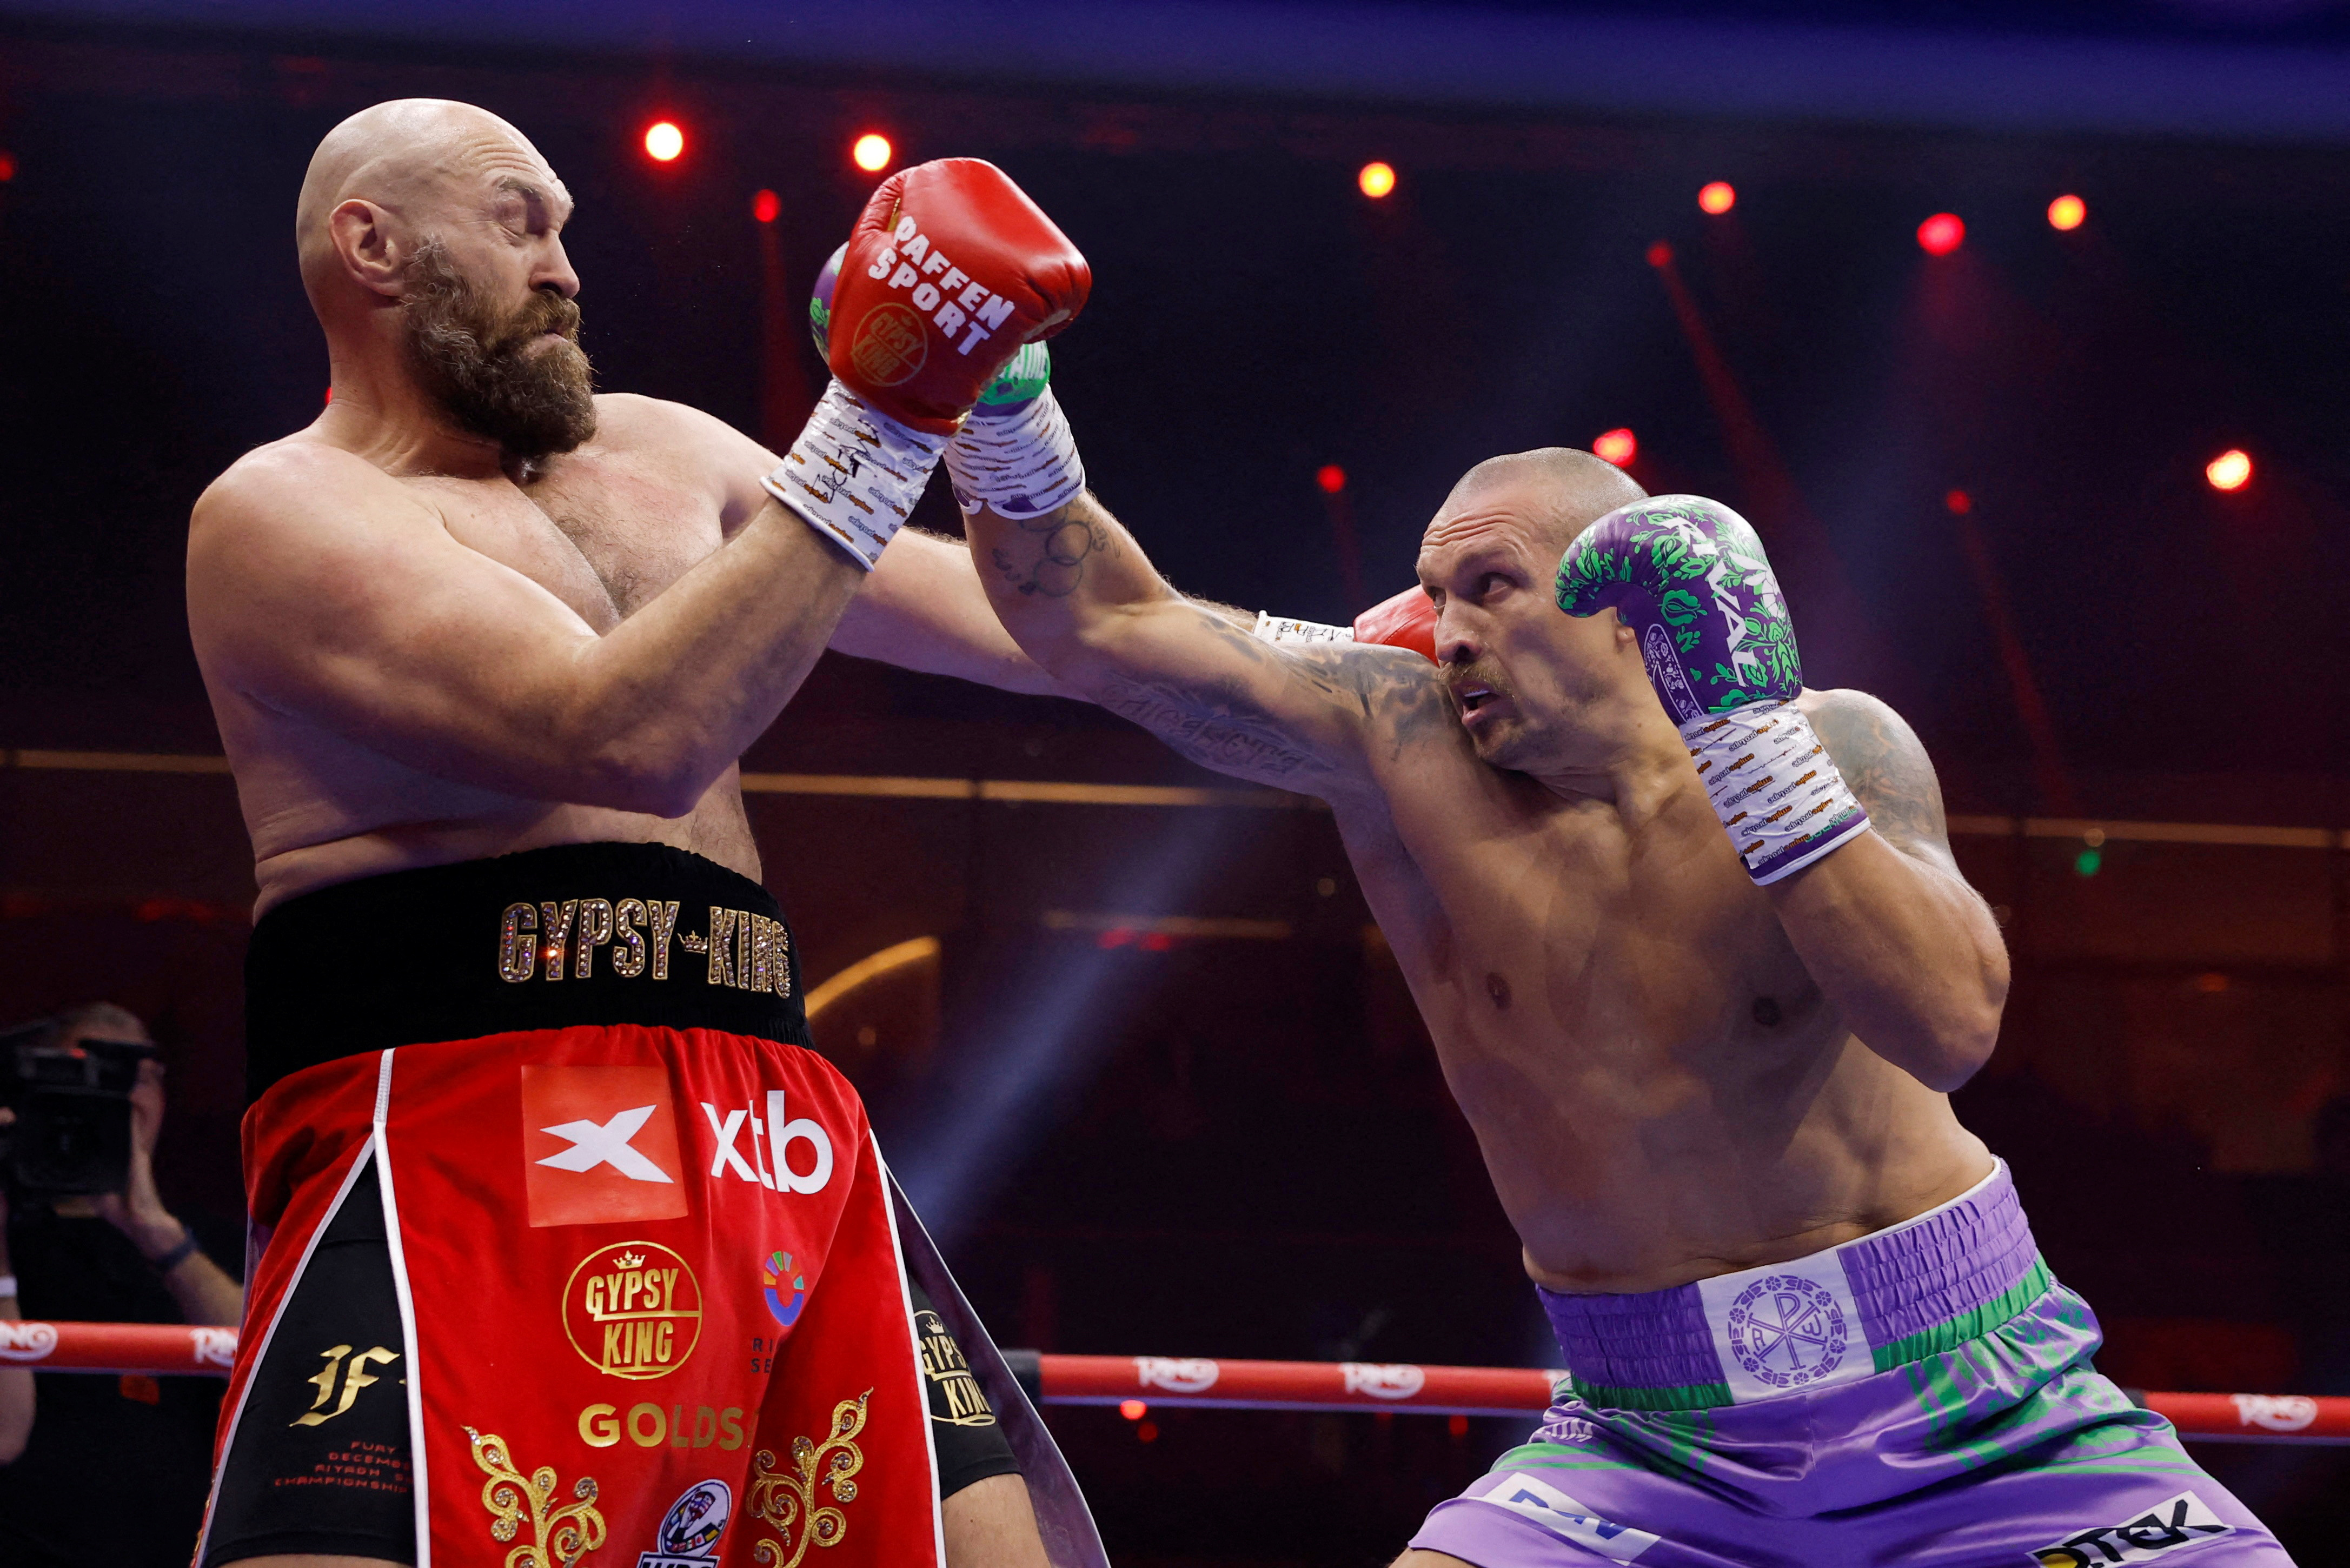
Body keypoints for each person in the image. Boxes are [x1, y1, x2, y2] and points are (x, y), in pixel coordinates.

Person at [949, 412, 2293, 1560]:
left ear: (1626, 608)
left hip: (1981, 1400)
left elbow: (1946, 1025)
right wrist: (996, 413)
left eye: (1492, 586)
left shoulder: (1830, 739)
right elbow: (1096, 622)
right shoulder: (1397, 741)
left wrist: (1752, 746)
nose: (1448, 630)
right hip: (1647, 1438)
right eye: (1434, 594)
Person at [183, 99, 1103, 1568]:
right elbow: (622, 736)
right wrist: (881, 419)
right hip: (462, 1116)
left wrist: (1385, 665)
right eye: (518, 219)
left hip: (769, 1115)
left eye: (565, 231)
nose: (565, 268)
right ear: (372, 242)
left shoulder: (674, 452)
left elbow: (1060, 632)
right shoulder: (281, 510)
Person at [0, 1002, 244, 1567]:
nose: (127, 1096)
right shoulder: (12, 1232)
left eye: (145, 1076)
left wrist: (156, 1231)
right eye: (95, 1074)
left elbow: (280, 1370)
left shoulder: (212, 1241)